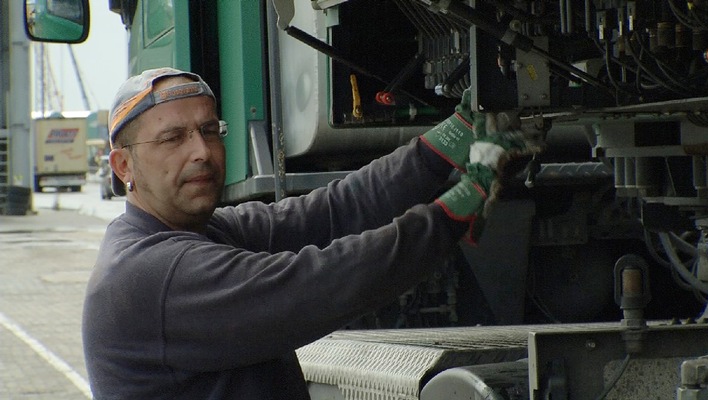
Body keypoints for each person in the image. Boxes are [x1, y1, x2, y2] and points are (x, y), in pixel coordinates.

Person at [82, 67, 528, 399]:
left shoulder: (207, 232)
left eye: (208, 130)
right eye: (172, 138)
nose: (201, 151)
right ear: (124, 167)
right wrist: (456, 210)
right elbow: (320, 282)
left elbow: (333, 211)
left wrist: (452, 137)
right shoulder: (154, 273)